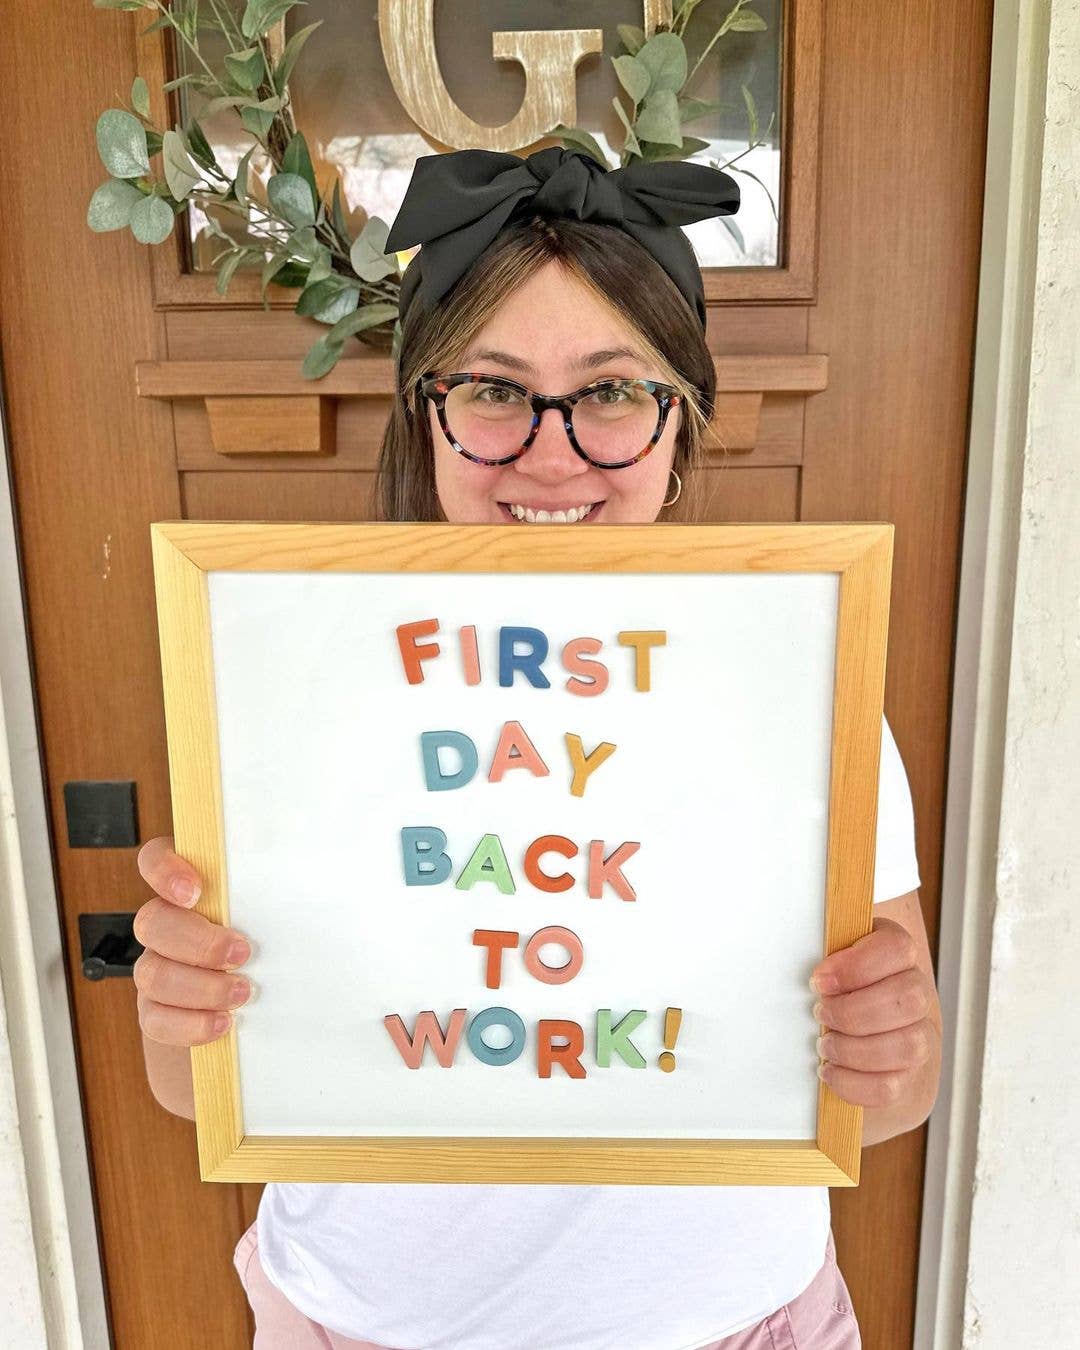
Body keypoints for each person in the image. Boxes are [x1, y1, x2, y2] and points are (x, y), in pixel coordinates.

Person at [134, 147, 942, 1350]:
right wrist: (177, 1011)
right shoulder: (288, 681)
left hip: (729, 1321)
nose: (553, 453)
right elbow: (192, 1086)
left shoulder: (804, 682)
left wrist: (893, 1047)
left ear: (684, 422)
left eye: (613, 392)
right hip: (370, 1321)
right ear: (427, 415)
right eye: (495, 390)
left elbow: (893, 1097)